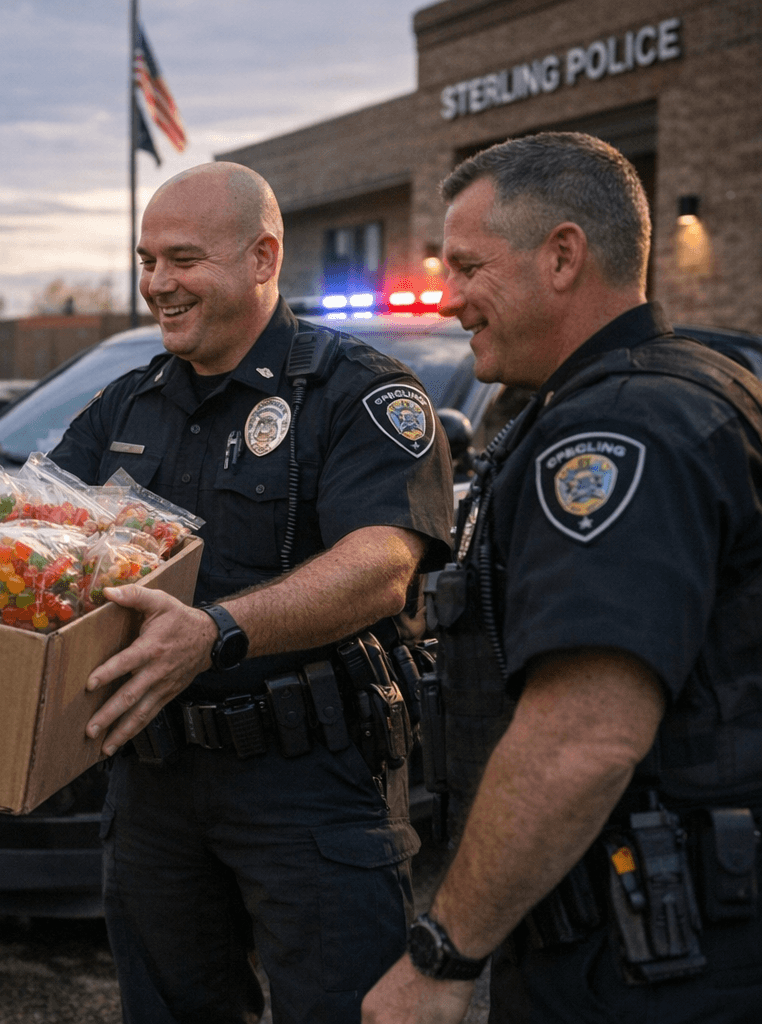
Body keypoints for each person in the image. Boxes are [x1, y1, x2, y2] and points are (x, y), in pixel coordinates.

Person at [362, 132, 762, 1023]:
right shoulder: (683, 387)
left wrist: (442, 957)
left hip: (653, 965)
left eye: (469, 267)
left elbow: (582, 737)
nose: (450, 299)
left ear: (563, 255)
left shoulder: (618, 431)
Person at [48, 162, 455, 1024]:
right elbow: (34, 529)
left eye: (183, 259)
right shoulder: (126, 405)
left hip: (310, 781)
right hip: (154, 780)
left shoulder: (357, 391)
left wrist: (217, 631)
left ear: (262, 257)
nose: (157, 283)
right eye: (147, 260)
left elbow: (383, 563)